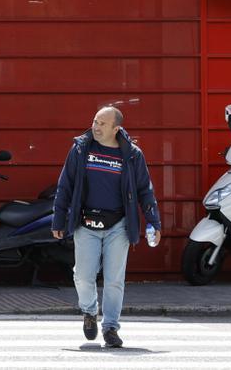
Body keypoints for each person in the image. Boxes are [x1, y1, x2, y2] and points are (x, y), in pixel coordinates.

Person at [52, 106, 161, 349]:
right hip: (86, 223)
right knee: (82, 276)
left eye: (102, 123)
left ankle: (111, 327)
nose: (96, 127)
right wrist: (58, 219)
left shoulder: (132, 154)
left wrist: (154, 222)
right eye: (94, 121)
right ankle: (89, 311)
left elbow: (145, 190)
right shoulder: (80, 149)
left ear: (116, 128)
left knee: (114, 280)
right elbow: (65, 185)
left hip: (118, 226)